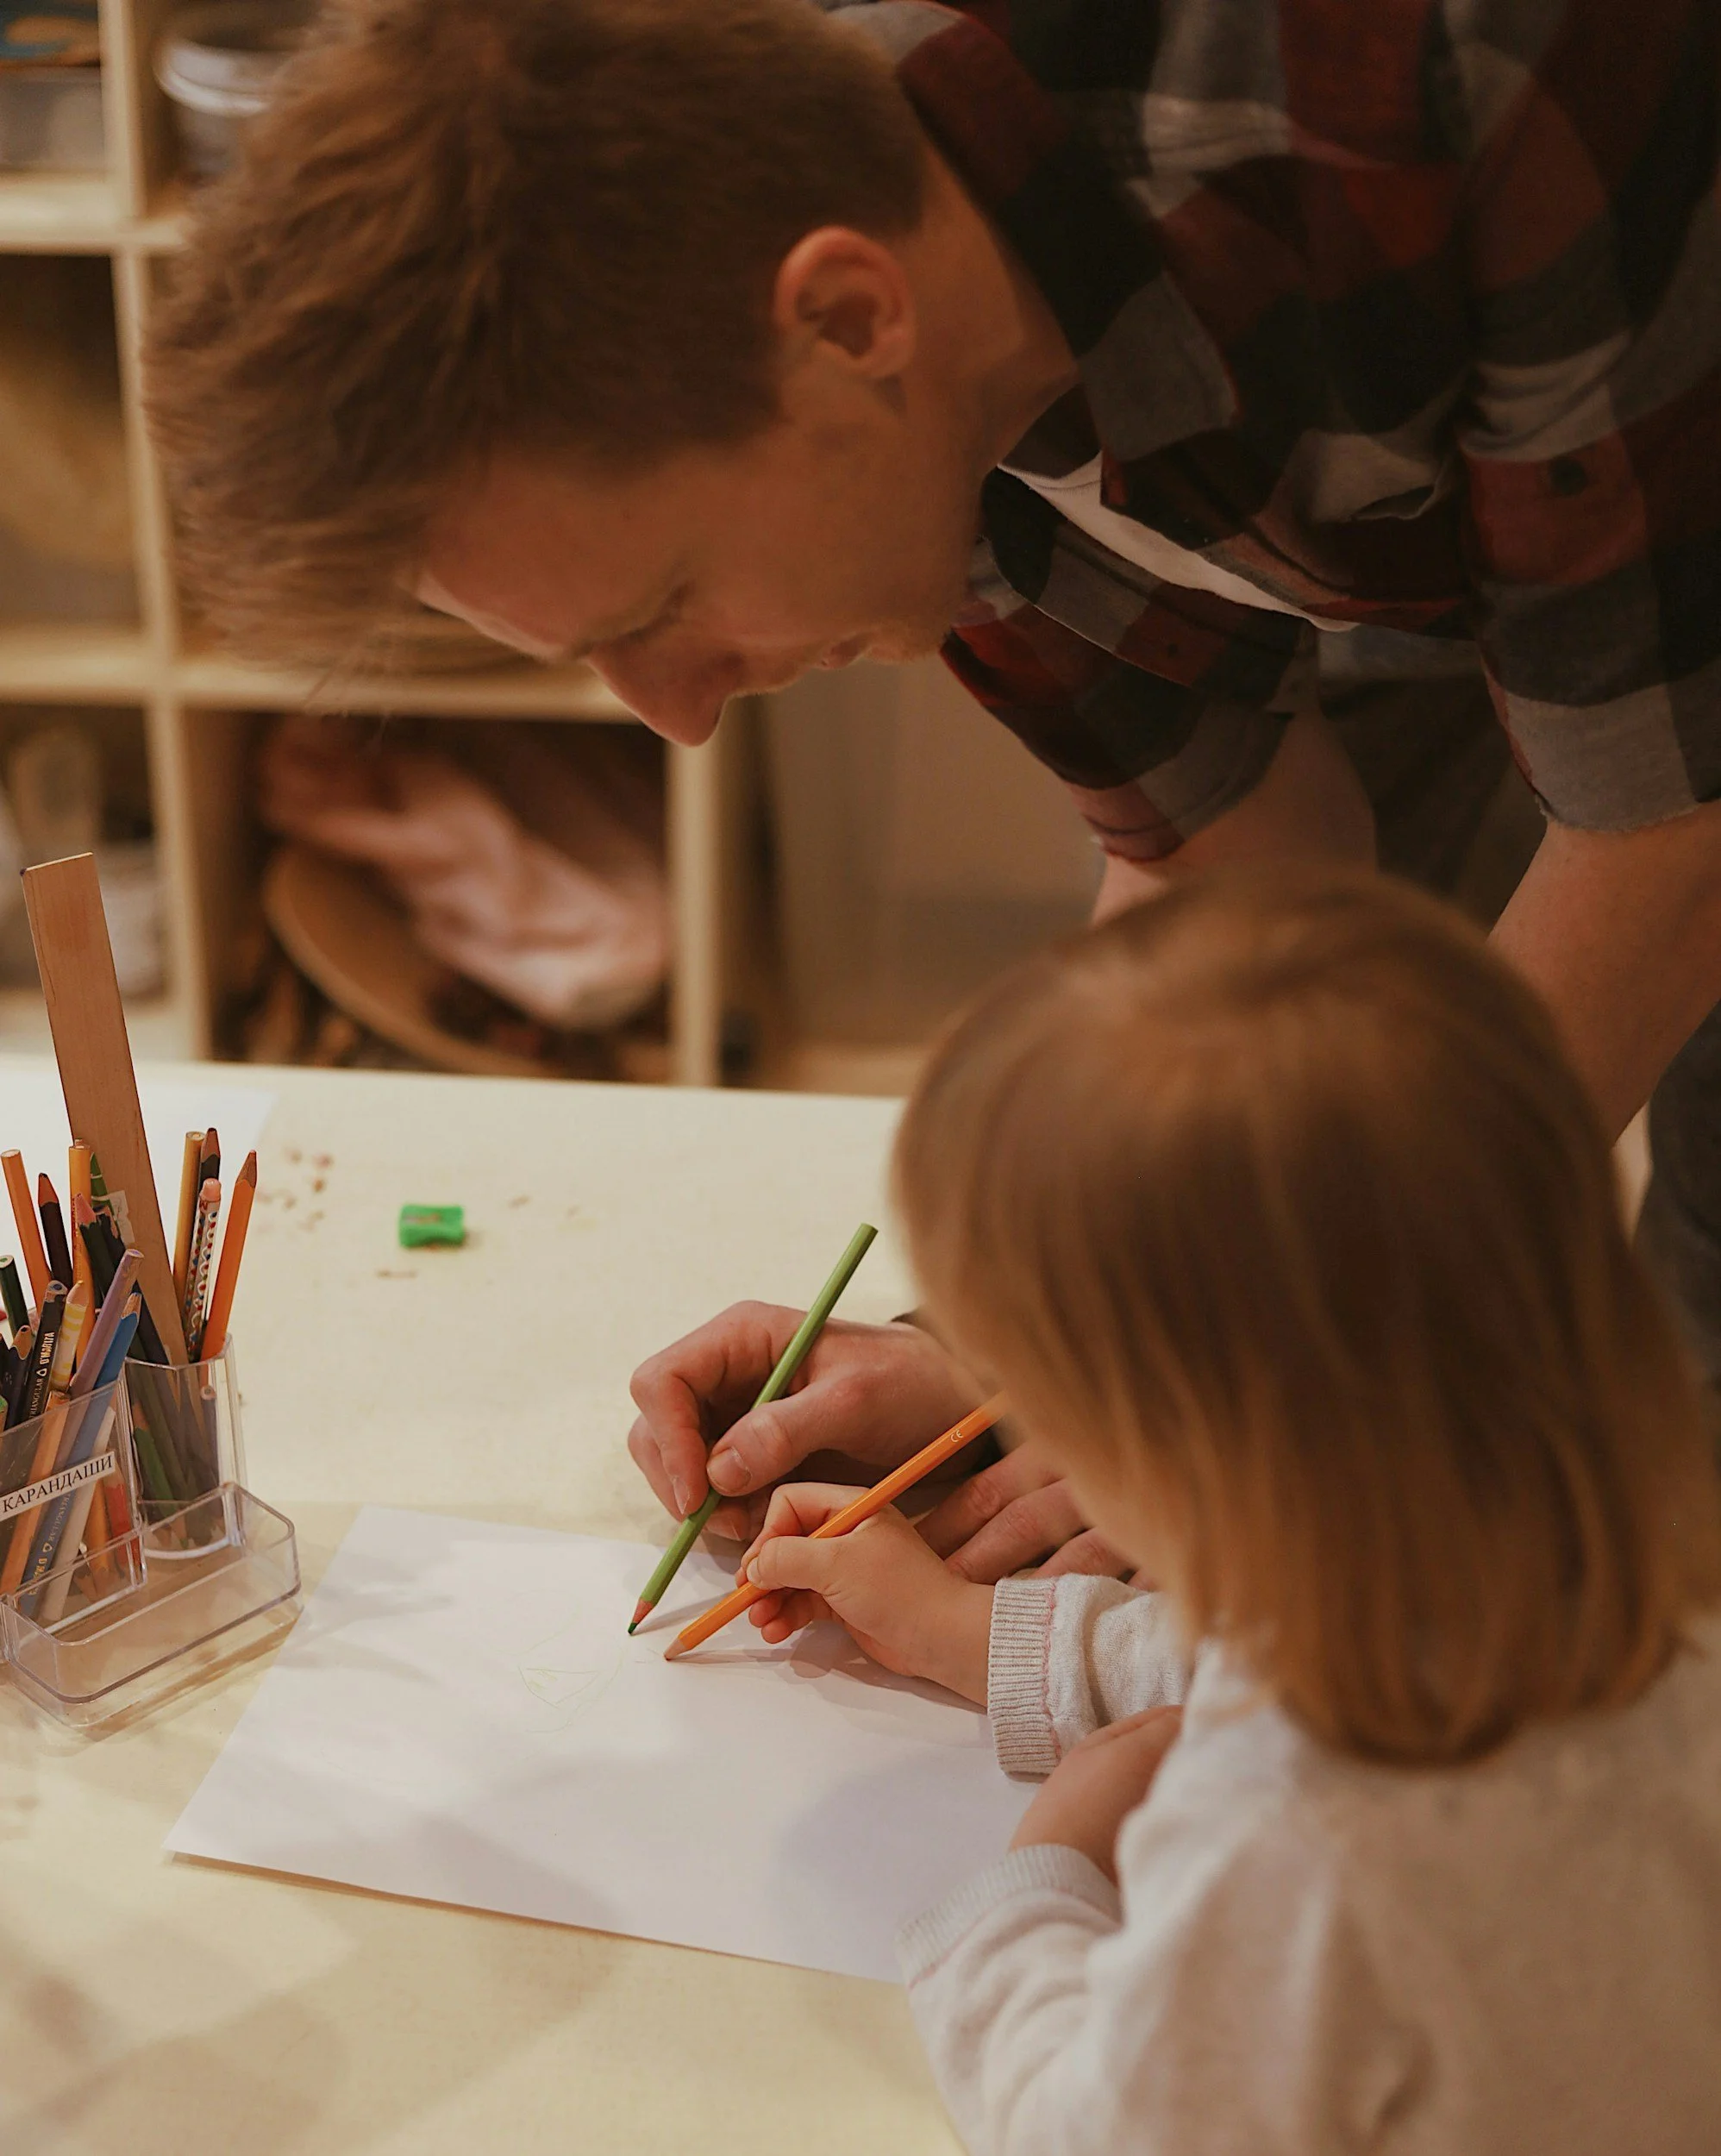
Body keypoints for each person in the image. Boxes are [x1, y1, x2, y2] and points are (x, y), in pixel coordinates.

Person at [146, 0, 1721, 1571]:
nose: (678, 719)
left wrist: (1239, 1390)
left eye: (660, 606)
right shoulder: (911, 394)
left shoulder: (1441, 81)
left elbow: (1672, 831)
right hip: (1436, 498)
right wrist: (1012, 1346)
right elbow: (1236, 857)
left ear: (844, 320)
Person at [728, 868, 1721, 2153]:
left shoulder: (1298, 1846)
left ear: (1175, 1453)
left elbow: (1093, 2136)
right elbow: (1275, 1637)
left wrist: (1029, 1897)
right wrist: (969, 1635)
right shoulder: (1615, 1581)